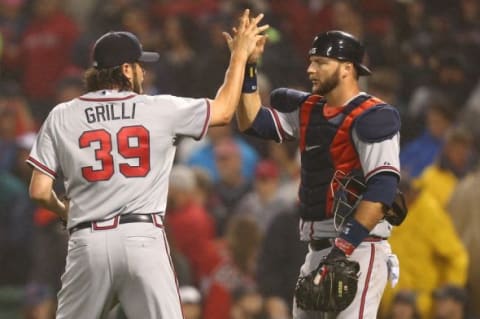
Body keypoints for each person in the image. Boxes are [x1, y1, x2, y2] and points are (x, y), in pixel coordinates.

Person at [26, 10, 268, 319]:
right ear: (126, 69)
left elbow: (39, 191)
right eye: (140, 66)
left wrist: (64, 210)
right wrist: (240, 57)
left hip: (88, 240)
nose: (144, 72)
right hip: (142, 237)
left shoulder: (62, 114)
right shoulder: (157, 108)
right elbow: (222, 111)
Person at [228, 29, 403, 318]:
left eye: (321, 62)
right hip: (317, 249)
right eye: (311, 61)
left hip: (359, 247)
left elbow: (382, 191)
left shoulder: (374, 116)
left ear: (348, 68)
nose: (310, 69)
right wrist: (248, 66)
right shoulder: (309, 110)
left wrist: (342, 250)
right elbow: (252, 123)